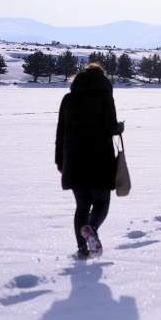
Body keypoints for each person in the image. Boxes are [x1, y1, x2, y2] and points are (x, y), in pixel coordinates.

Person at [55, 62, 124, 259]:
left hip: (73, 159)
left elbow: (61, 132)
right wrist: (120, 127)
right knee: (101, 201)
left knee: (82, 205)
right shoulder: (105, 97)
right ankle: (91, 228)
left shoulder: (68, 99)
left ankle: (83, 250)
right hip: (99, 157)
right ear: (102, 78)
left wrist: (60, 161)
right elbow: (110, 127)